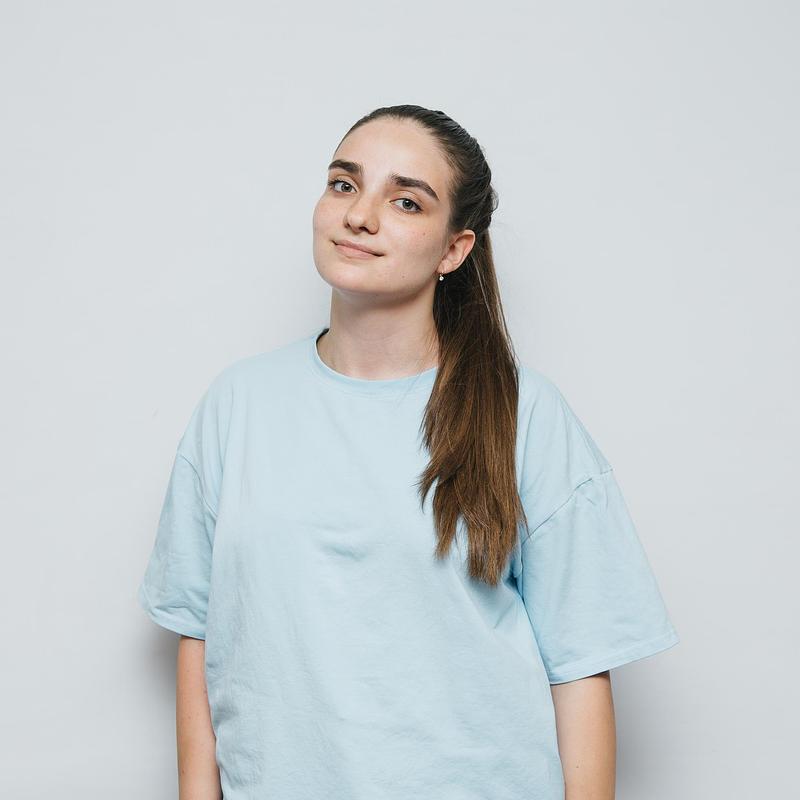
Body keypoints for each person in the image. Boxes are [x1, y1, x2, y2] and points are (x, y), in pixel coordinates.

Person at [137, 104, 680, 800]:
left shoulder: (524, 414)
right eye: (343, 184)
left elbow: (581, 667)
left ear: (455, 249)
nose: (359, 216)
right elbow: (199, 630)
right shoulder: (236, 403)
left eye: (405, 201)